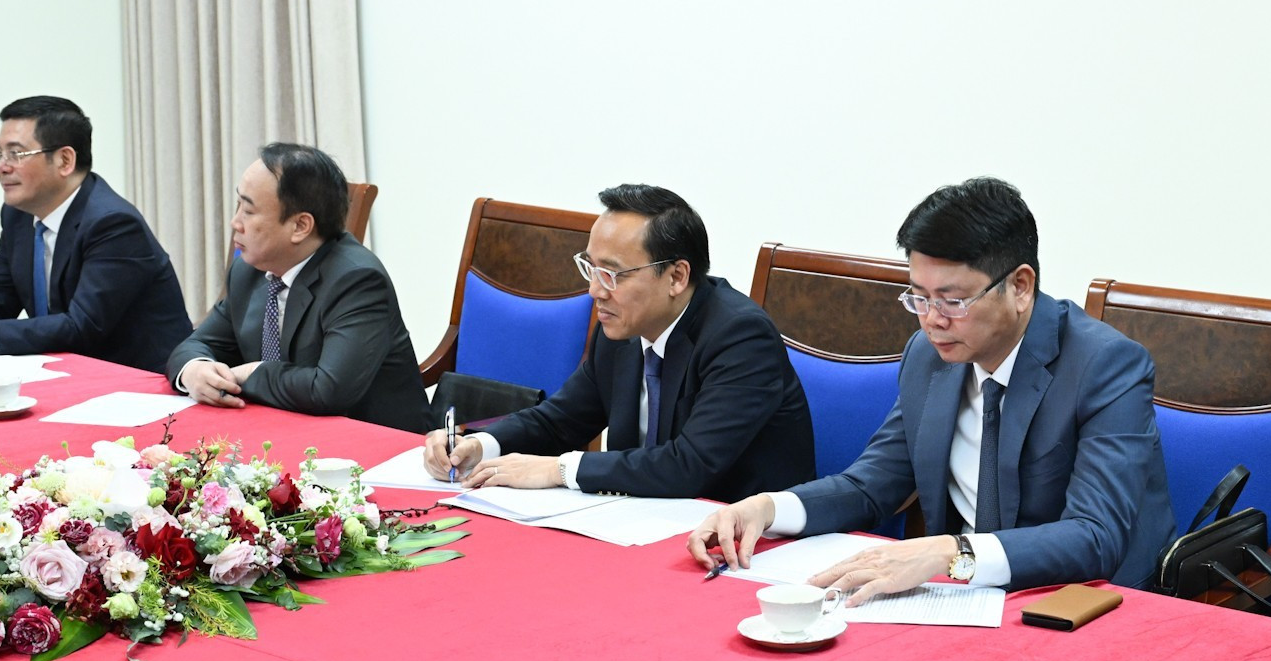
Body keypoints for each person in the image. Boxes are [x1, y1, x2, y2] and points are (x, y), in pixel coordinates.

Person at [687, 176, 1175, 602]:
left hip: (1082, 604)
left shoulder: (1103, 365)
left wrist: (951, 552)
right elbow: (872, 485)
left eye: (953, 300)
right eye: (918, 297)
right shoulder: (929, 356)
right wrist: (769, 508)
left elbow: (1095, 537)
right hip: (960, 600)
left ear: (1021, 286)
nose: (933, 320)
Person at [423, 184, 816, 499]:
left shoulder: (739, 337)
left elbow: (690, 466)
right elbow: (561, 420)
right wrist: (481, 443)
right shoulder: (621, 330)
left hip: (744, 542)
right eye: (590, 268)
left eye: (612, 274)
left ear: (677, 277)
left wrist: (560, 470)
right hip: (644, 522)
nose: (595, 291)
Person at [0, 96, 189, 371]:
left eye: (16, 153)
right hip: (70, 375)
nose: (2, 167)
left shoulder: (113, 224)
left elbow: (81, 327)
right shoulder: (18, 216)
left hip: (141, 384)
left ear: (64, 160)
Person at [166, 143, 431, 433]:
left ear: (300, 226)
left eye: (249, 210)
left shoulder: (357, 281)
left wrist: (250, 373)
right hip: (283, 430)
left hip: (373, 445)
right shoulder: (249, 271)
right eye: (238, 205)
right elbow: (194, 344)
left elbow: (328, 390)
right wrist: (195, 370)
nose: (235, 222)